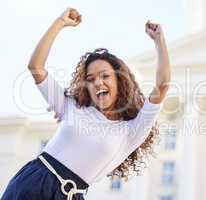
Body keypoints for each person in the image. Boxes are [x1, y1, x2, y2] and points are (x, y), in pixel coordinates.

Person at [1, 7, 170, 200]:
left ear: (120, 82)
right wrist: (60, 22)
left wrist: (159, 41)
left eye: (105, 76)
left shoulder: (132, 130)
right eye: (90, 78)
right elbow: (36, 67)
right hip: (34, 182)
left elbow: (163, 85)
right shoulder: (71, 107)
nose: (98, 82)